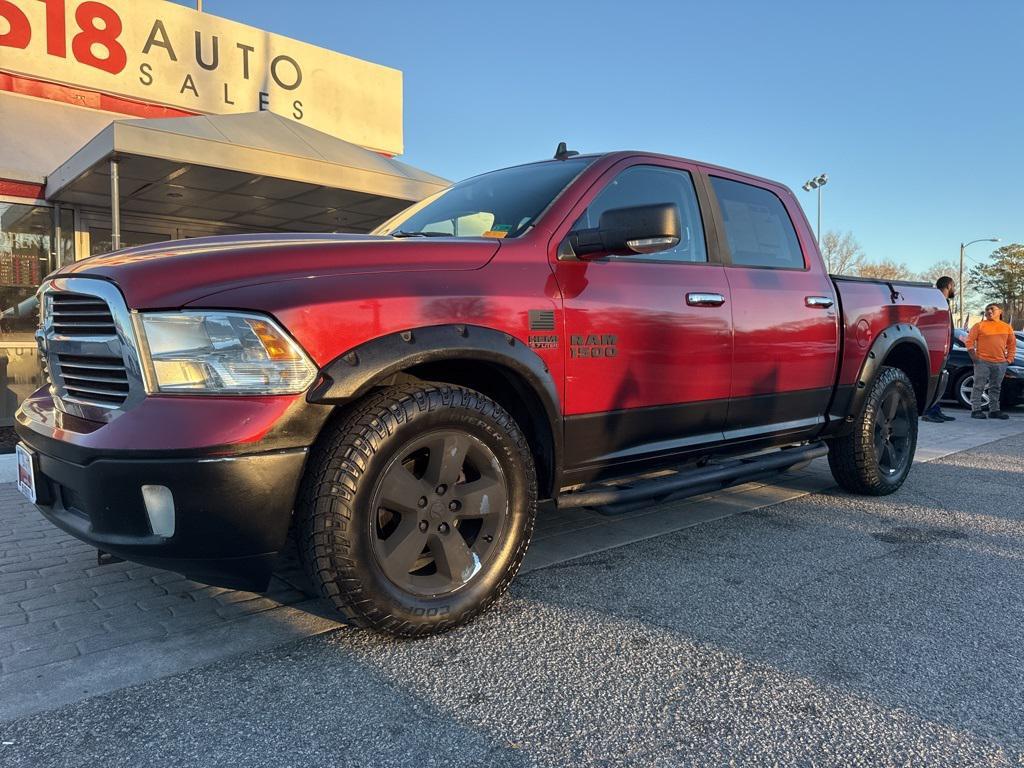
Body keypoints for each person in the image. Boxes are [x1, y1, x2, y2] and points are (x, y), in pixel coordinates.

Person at [965, 302, 1017, 420]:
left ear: (1000, 312)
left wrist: (1009, 359)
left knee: (996, 387)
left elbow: (1012, 344)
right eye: (987, 309)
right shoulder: (979, 325)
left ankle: (994, 410)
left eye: (992, 309)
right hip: (982, 361)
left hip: (1000, 363)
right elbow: (969, 341)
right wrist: (974, 357)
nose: (989, 311)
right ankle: (976, 410)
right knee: (979, 386)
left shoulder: (1006, 327)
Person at [921, 276, 957, 423]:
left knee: (941, 379)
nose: (954, 289)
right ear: (949, 285)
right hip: (936, 347)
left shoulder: (943, 302)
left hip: (944, 347)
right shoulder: (936, 301)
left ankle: (936, 409)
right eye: (954, 286)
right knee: (934, 379)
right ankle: (929, 412)